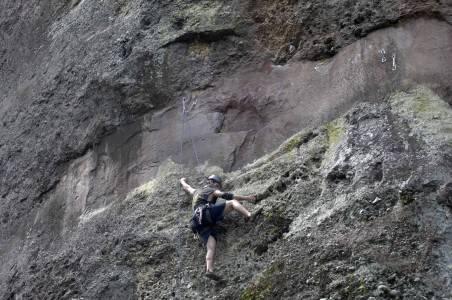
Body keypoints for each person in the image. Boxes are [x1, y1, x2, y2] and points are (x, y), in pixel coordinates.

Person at [180, 175, 257, 281]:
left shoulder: (196, 191)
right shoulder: (210, 189)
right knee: (232, 203)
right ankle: (248, 214)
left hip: (197, 223)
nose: (218, 187)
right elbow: (228, 196)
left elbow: (187, 187)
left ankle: (209, 270)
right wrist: (247, 198)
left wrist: (182, 180)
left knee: (211, 246)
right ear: (214, 183)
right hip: (207, 214)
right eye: (218, 185)